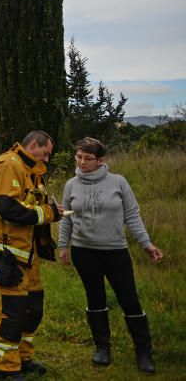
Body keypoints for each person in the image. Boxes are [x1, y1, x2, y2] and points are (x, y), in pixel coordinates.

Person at [58, 137, 163, 374]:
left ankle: (144, 352)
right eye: (78, 157)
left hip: (115, 252)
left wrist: (146, 244)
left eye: (88, 158)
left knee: (129, 299)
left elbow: (132, 216)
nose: (82, 162)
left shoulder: (118, 182)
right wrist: (63, 246)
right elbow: (67, 217)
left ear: (100, 160)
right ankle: (102, 348)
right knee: (95, 299)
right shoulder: (71, 185)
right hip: (84, 252)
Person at [0, 130, 62, 380]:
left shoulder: (29, 170)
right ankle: (2, 365)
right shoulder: (9, 165)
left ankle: (23, 358)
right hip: (5, 256)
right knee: (11, 313)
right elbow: (7, 208)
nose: (46, 160)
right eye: (45, 153)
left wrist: (49, 212)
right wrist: (49, 213)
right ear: (33, 144)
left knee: (32, 309)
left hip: (27, 255)